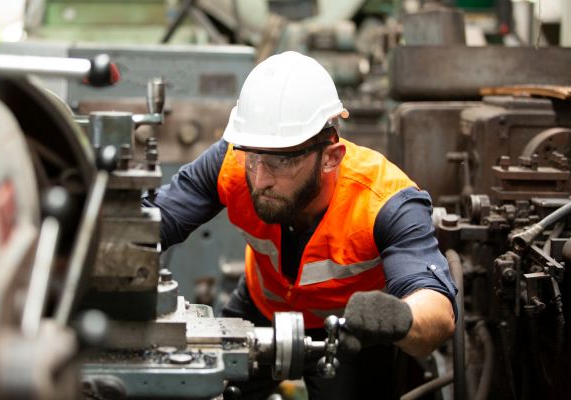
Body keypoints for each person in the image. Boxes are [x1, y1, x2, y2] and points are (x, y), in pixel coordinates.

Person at [144, 51, 456, 399]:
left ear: (330, 157)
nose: (260, 178)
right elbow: (152, 221)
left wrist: (398, 317)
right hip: (259, 310)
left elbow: (437, 312)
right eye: (253, 156)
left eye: (281, 160)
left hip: (352, 332)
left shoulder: (385, 202)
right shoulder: (232, 162)